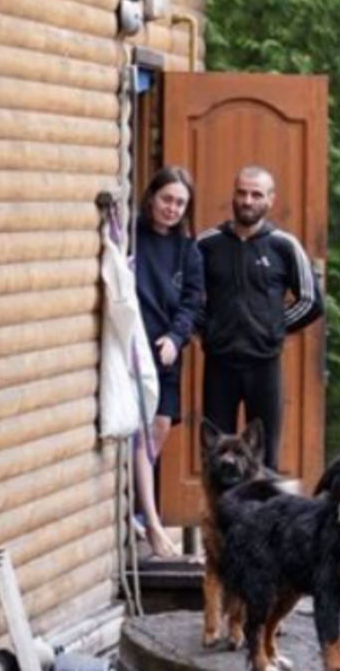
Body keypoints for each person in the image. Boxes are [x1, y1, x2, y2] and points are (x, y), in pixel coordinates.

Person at [197, 165, 323, 470]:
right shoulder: (206, 244)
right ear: (234, 195)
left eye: (256, 194)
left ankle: (264, 516)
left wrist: (273, 328)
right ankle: (220, 517)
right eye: (241, 193)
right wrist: (209, 329)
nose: (247, 201)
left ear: (270, 199)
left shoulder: (284, 245)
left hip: (264, 365)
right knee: (215, 455)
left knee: (264, 457)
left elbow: (312, 301)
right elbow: (185, 296)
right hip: (219, 363)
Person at [133, 166, 204, 559]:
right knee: (142, 431)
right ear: (151, 198)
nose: (172, 208)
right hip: (134, 349)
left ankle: (134, 506)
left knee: (160, 427)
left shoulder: (188, 250)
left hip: (166, 350)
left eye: (180, 203)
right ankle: (151, 521)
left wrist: (176, 338)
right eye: (167, 199)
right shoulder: (132, 237)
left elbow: (193, 302)